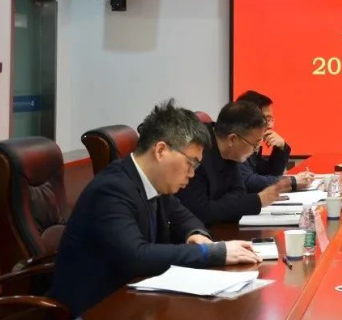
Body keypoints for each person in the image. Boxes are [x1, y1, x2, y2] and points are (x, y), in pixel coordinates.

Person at [49, 100, 262, 317]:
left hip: (134, 300)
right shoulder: (112, 189)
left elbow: (184, 216)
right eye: (191, 163)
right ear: (161, 150)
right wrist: (211, 253)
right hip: (96, 308)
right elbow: (136, 256)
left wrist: (196, 234)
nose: (192, 174)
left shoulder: (154, 183)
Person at [175, 100, 293, 225]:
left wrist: (221, 205)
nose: (256, 149)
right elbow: (201, 212)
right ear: (232, 139)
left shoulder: (231, 153)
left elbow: (239, 192)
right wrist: (257, 201)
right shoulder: (196, 155)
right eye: (254, 144)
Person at [235, 90, 313, 192]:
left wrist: (280, 148)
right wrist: (291, 181)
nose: (270, 126)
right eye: (267, 119)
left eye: (271, 119)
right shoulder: (235, 143)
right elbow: (249, 182)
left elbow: (269, 174)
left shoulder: (252, 146)